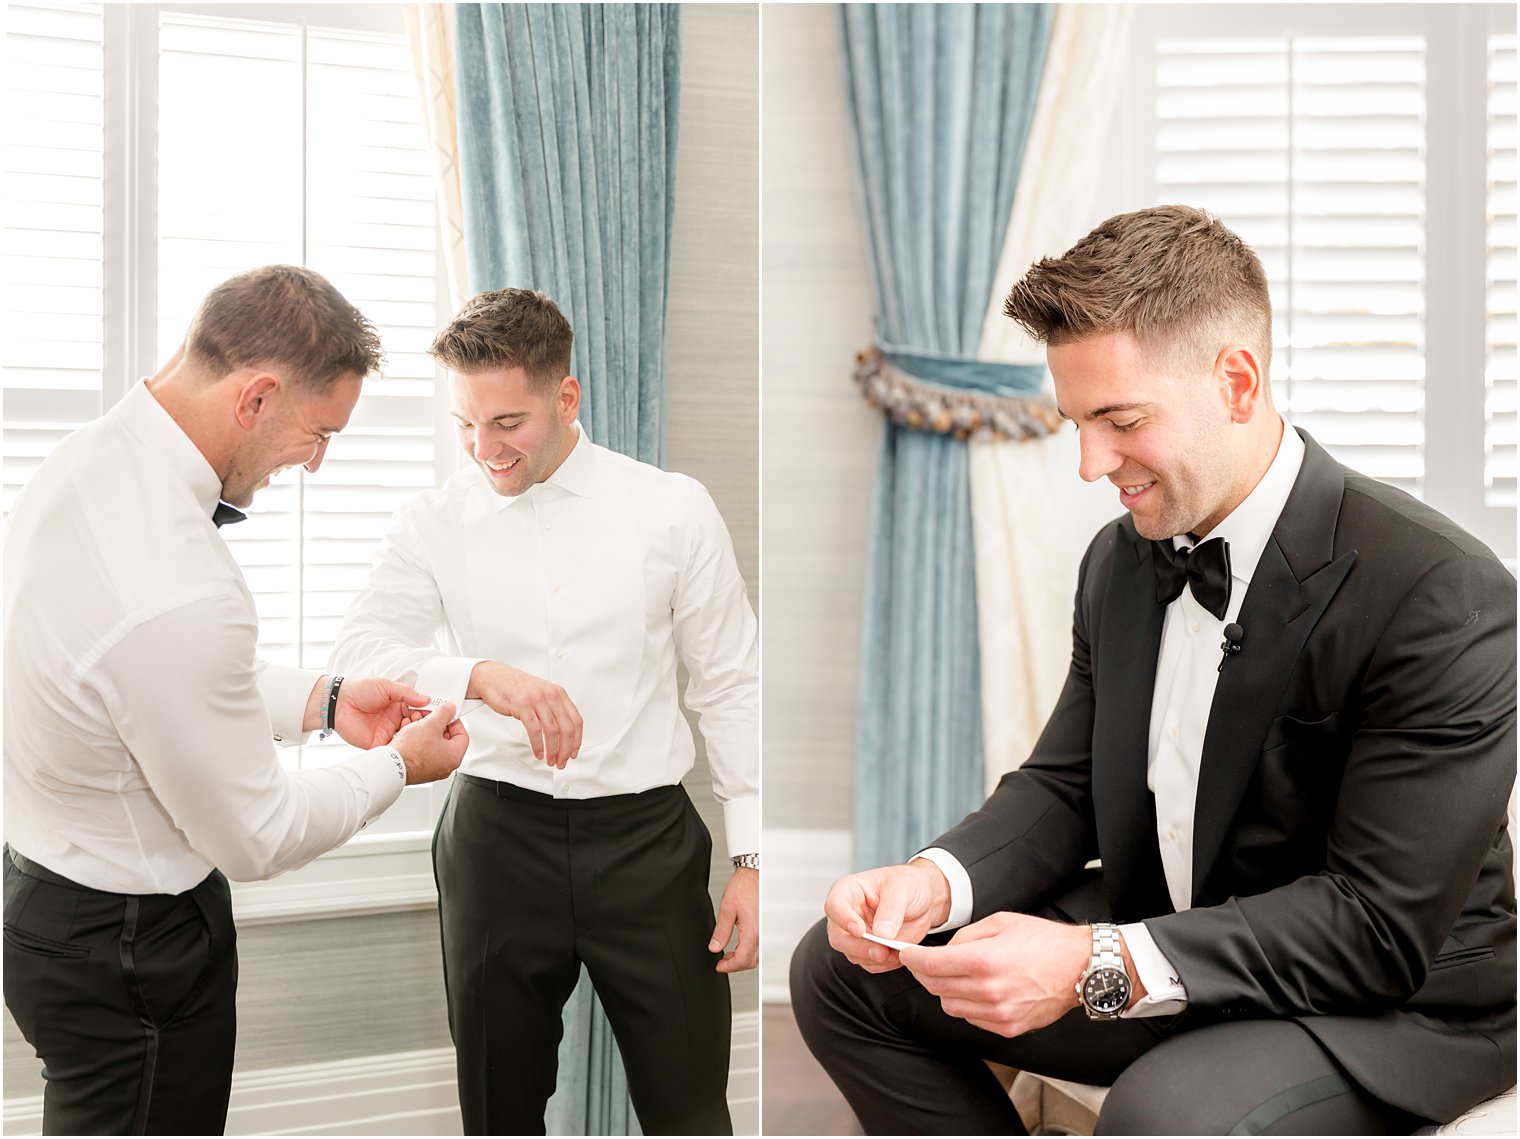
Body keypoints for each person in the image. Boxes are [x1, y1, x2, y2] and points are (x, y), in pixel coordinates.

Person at [791, 205, 1516, 1135]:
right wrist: (937, 880)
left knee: (1164, 1114)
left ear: (1237, 382)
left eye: (1120, 420)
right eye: (1077, 423)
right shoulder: (1121, 561)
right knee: (840, 968)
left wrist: (1096, 960)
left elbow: (1373, 923)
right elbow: (1066, 786)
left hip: (1379, 1002)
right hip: (1171, 922)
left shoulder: (1441, 591)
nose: (1092, 463)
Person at [3, 265, 472, 1136]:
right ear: (255, 396)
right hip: (132, 948)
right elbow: (257, 836)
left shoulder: (84, 463)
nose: (318, 462)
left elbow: (156, 683)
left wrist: (328, 702)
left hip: (46, 904)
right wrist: (394, 766)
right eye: (319, 431)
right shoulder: (180, 577)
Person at [330, 287, 759, 1136]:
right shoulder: (431, 521)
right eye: (465, 424)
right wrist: (478, 674)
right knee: (498, 1107)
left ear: (566, 399)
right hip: (497, 842)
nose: (483, 448)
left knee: (690, 1109)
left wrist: (752, 852)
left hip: (647, 847)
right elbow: (356, 658)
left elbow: (731, 683)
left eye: (508, 423)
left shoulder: (673, 509)